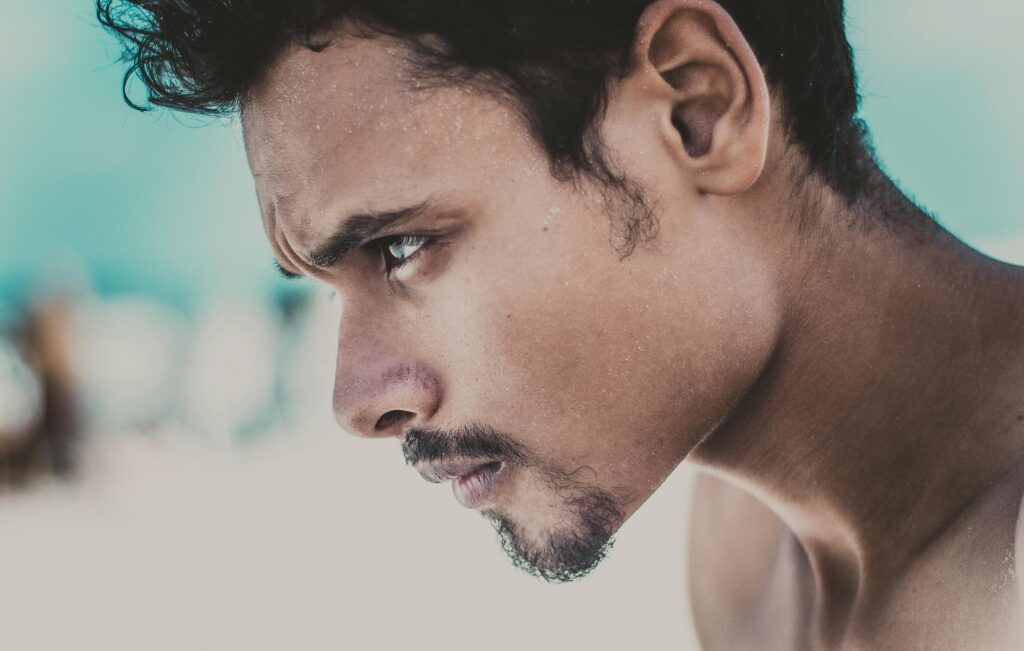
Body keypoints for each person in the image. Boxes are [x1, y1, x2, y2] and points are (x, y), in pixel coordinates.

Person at [98, 0, 1024, 647]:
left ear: (700, 108)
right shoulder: (747, 541)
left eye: (405, 246)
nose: (354, 400)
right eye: (326, 286)